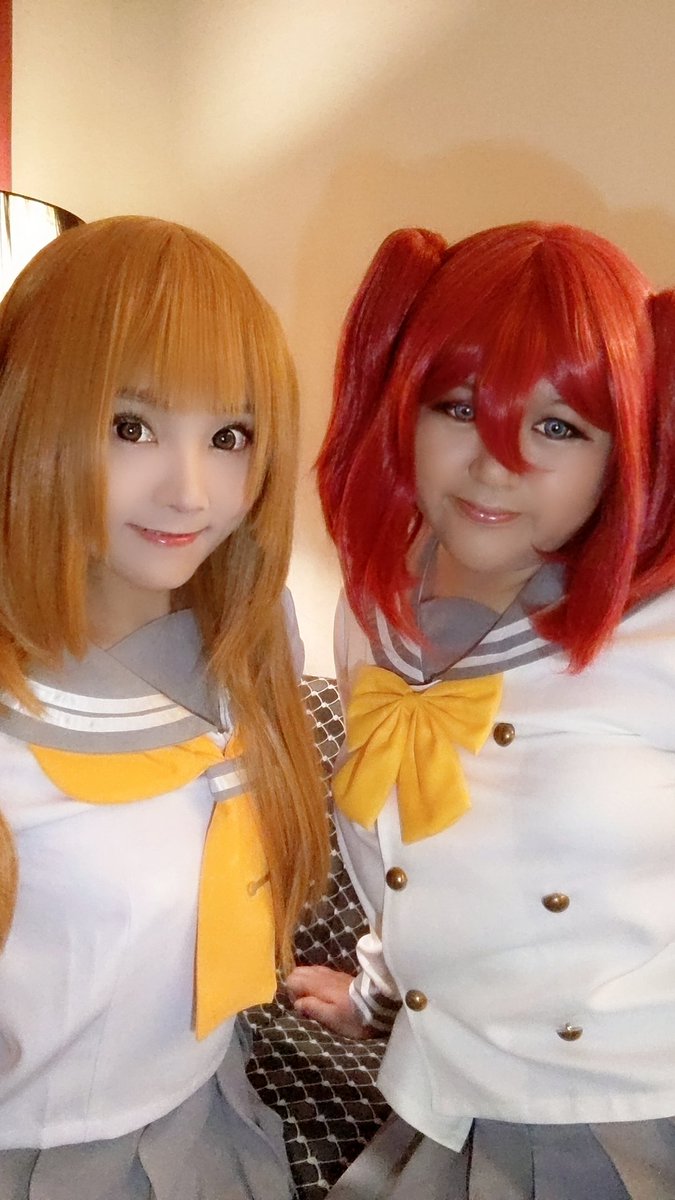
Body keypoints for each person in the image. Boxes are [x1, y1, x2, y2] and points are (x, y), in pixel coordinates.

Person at [286, 221, 675, 1198]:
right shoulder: (371, 613)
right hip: (450, 1095)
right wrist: (376, 992)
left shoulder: (662, 630)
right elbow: (421, 860)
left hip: (635, 1107)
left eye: (558, 426)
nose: (496, 464)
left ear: (623, 445)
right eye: (460, 407)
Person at [0, 214, 328, 1200]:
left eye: (229, 437)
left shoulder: (251, 640)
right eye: (131, 426)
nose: (191, 493)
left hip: (211, 1117)